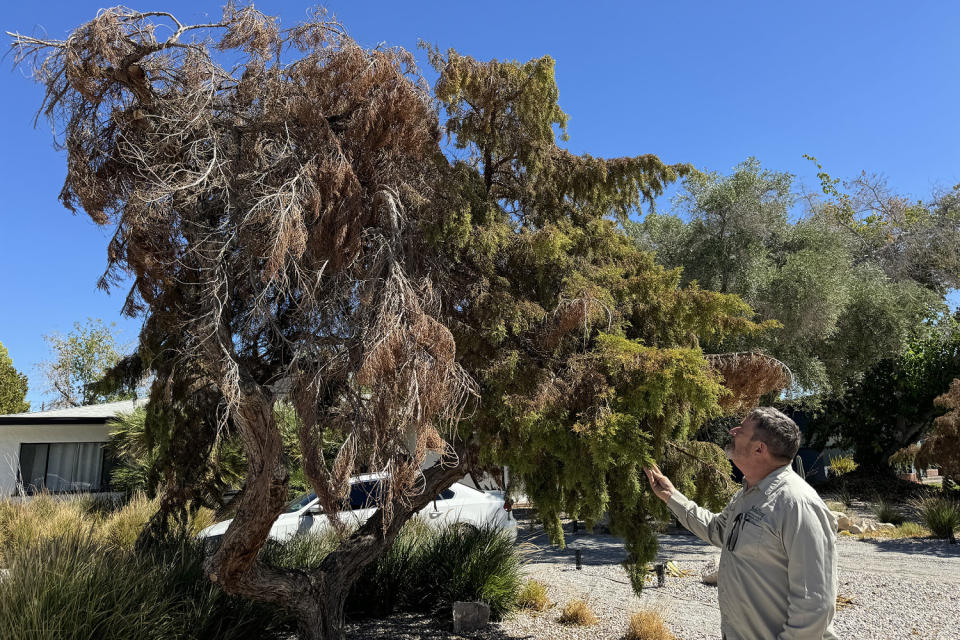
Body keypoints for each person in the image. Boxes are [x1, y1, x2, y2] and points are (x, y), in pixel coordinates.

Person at [644, 407, 838, 640]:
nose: (732, 431)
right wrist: (671, 496)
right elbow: (716, 530)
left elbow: (815, 603)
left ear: (759, 448)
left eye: (741, 429)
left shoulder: (797, 504)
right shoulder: (747, 495)